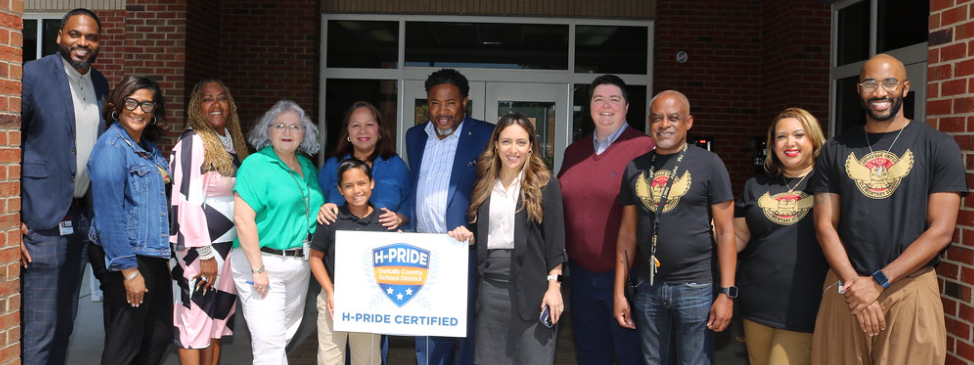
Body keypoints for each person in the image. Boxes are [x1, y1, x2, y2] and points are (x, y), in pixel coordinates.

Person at [809, 54, 967, 365]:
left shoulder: (937, 146)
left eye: (890, 82)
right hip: (846, 287)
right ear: (859, 89)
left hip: (910, 288)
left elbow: (941, 231)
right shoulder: (836, 149)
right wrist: (856, 284)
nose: (880, 92)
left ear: (906, 88)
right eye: (870, 83)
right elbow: (824, 224)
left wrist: (879, 281)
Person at [613, 90, 736, 365]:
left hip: (696, 288)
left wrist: (727, 294)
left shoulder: (710, 164)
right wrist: (619, 292)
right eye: (657, 118)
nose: (664, 124)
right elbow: (627, 234)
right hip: (649, 288)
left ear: (688, 122)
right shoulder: (635, 168)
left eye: (673, 118)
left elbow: (727, 233)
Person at [19, 9, 108, 365]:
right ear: (60, 36)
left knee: (64, 324)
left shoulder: (99, 83)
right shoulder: (33, 75)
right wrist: (13, 220)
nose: (82, 43)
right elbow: (8, 145)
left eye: (90, 37)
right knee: (41, 327)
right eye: (75, 35)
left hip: (81, 219)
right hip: (40, 220)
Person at [447, 114, 567, 365]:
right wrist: (467, 237)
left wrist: (554, 286)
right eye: (506, 142)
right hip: (491, 291)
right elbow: (483, 237)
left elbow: (556, 242)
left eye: (521, 142)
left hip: (533, 291)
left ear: (531, 146)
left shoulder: (545, 185)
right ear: (496, 145)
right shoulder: (483, 185)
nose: (514, 150)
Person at [557, 74, 652, 365]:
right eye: (599, 99)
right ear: (590, 107)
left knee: (629, 353)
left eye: (614, 99)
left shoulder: (644, 147)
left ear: (626, 107)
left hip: (627, 276)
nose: (606, 105)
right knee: (590, 352)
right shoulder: (574, 152)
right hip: (582, 276)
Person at [405, 68, 493, 365]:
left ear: (464, 102)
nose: (442, 111)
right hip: (424, 250)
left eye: (450, 102)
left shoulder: (485, 134)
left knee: (466, 325)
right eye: (434, 103)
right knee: (427, 324)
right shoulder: (415, 136)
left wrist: (478, 233)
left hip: (463, 248)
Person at [733, 108, 829, 365]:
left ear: (813, 139)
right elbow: (738, 239)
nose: (790, 143)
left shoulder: (828, 184)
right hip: (757, 303)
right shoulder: (756, 186)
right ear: (773, 144)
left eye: (799, 135)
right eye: (781, 137)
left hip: (805, 304)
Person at [232, 99, 324, 365]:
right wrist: (258, 269)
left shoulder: (306, 167)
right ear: (267, 131)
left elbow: (311, 211)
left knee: (279, 338)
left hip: (299, 265)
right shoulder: (255, 164)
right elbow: (243, 218)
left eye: (295, 127)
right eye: (280, 125)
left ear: (304, 134)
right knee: (269, 345)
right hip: (263, 264)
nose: (287, 132)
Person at [88, 75, 172, 365]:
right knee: (125, 342)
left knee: (158, 334)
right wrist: (129, 272)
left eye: (146, 104)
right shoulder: (112, 150)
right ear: (118, 106)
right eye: (132, 103)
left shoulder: (146, 147)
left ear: (154, 112)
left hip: (151, 251)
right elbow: (108, 216)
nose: (138, 111)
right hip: (127, 254)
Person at [170, 79, 249, 365]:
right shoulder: (193, 141)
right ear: (196, 106)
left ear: (230, 104)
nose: (215, 104)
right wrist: (204, 252)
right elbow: (185, 199)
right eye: (207, 99)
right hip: (201, 249)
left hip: (230, 247)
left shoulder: (233, 140)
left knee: (217, 320)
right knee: (196, 319)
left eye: (221, 98)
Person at [310, 158, 385, 365]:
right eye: (348, 186)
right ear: (341, 190)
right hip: (332, 297)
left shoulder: (383, 221)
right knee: (330, 358)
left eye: (361, 183)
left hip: (369, 300)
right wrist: (330, 291)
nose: (356, 190)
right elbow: (315, 257)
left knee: (367, 359)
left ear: (372, 183)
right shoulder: (331, 218)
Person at [318, 101, 412, 231]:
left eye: (369, 124)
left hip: (384, 247)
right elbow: (316, 204)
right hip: (342, 246)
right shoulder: (331, 167)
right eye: (356, 125)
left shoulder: (397, 166)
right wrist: (322, 209)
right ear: (348, 131)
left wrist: (398, 218)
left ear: (379, 129)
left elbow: (410, 206)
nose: (363, 131)